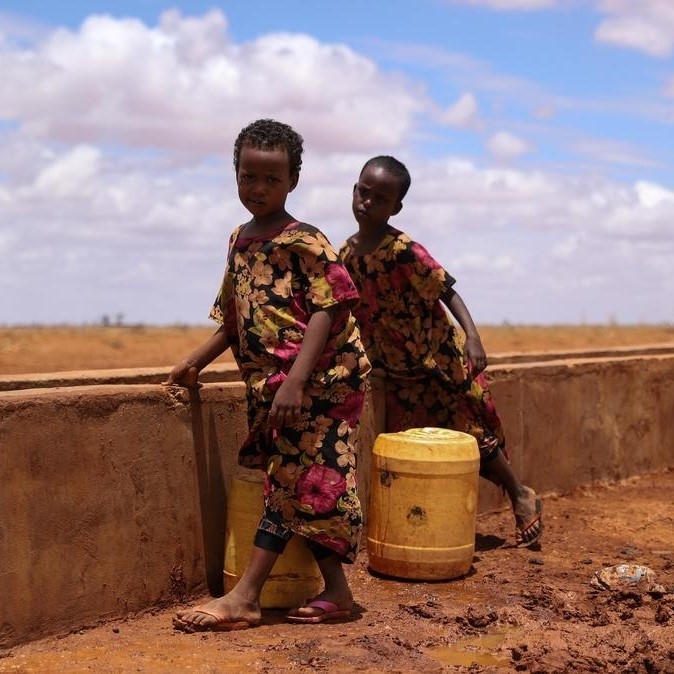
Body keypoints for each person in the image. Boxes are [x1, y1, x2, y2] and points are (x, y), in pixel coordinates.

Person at [164, 119, 371, 631]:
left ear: (293, 181)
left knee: (293, 482)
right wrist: (196, 361)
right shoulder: (239, 240)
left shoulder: (305, 241)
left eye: (270, 180)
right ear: (235, 173)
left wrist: (298, 381)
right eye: (248, 176)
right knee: (305, 487)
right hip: (273, 390)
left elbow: (328, 309)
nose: (257, 188)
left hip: (323, 384)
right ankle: (339, 594)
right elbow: (236, 319)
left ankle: (245, 597)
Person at [338, 155, 542, 549]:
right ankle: (419, 524)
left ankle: (520, 494)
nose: (368, 202)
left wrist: (473, 337)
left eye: (380, 198)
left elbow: (447, 291)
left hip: (438, 363)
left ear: (395, 207)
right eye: (364, 192)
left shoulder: (405, 250)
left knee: (472, 437)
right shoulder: (346, 256)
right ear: (354, 190)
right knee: (414, 448)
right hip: (397, 372)